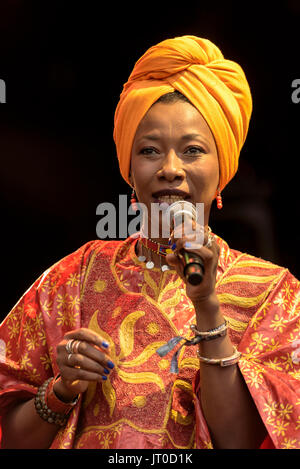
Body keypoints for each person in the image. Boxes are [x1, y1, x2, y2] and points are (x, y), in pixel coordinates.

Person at [0, 35, 299, 450]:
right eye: (150, 151)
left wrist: (208, 305)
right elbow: (10, 438)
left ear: (222, 170)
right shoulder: (71, 280)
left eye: (192, 150)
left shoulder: (274, 295)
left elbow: (240, 441)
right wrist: (61, 390)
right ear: (130, 172)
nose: (171, 169)